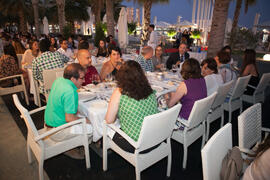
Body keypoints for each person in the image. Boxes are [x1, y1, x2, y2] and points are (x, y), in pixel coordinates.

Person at [105, 60, 158, 152]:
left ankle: (101, 147)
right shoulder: (149, 89)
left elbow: (109, 120)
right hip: (155, 138)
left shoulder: (120, 92)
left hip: (136, 144)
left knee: (106, 126)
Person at [44, 63, 90, 159]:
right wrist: (87, 121)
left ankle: (74, 144)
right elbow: (69, 118)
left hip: (49, 123)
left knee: (84, 117)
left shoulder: (59, 80)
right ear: (73, 79)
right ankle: (68, 147)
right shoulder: (70, 91)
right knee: (93, 127)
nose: (84, 80)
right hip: (57, 132)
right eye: (82, 78)